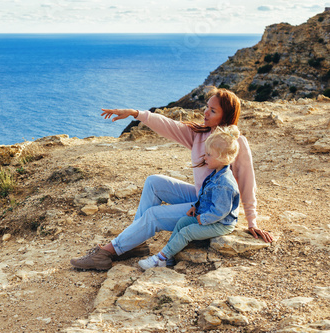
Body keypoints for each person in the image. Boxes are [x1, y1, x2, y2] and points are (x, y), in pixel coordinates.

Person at [70, 87, 273, 271]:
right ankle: (135, 243)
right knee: (153, 182)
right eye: (207, 107)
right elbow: (168, 125)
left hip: (212, 209)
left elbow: (247, 183)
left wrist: (252, 222)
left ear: (226, 116)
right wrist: (135, 113)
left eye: (213, 111)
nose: (205, 113)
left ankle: (107, 252)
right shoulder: (199, 135)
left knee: (154, 215)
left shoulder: (236, 143)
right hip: (199, 196)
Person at [138, 125, 240, 270]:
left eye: (209, 155)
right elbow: (205, 196)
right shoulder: (216, 174)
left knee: (187, 232)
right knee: (182, 222)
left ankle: (161, 258)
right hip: (208, 216)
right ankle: (169, 258)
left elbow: (221, 211)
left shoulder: (224, 184)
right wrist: (196, 207)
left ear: (223, 157)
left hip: (221, 224)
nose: (205, 157)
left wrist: (203, 219)